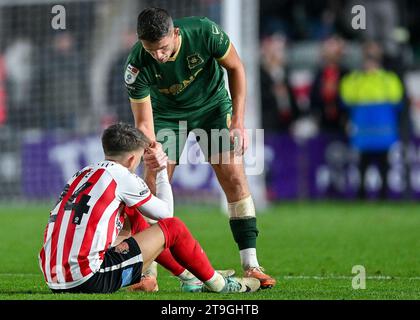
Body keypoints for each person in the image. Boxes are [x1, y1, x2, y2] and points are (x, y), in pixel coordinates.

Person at [124, 7, 276, 289]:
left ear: (175, 34)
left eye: (163, 48)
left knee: (233, 177)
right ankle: (147, 275)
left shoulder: (205, 32)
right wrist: (153, 147)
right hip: (167, 116)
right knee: (151, 186)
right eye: (150, 49)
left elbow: (236, 67)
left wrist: (239, 121)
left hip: (212, 109)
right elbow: (144, 122)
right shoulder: (136, 65)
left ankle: (251, 265)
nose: (157, 55)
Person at [38, 123, 260, 294]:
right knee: (173, 227)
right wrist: (162, 170)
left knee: (133, 213)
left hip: (53, 276)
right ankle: (220, 285)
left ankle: (190, 278)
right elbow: (166, 216)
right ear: (133, 158)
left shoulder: (82, 173)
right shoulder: (121, 175)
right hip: (87, 279)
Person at [339, 40, 404, 199]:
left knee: (383, 164)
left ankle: (383, 195)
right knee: (363, 163)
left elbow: (397, 99)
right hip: (363, 131)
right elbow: (346, 98)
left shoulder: (388, 79)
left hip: (383, 130)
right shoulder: (354, 79)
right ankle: (361, 194)